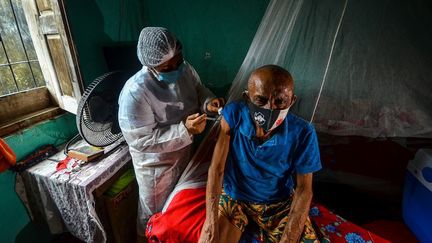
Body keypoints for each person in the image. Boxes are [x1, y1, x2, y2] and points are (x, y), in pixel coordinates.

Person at [118, 27, 224, 241]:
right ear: (151, 65)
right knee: (153, 216)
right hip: (156, 167)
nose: (176, 68)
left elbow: (198, 89)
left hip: (184, 153)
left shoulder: (185, 69)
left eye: (178, 60)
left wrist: (208, 103)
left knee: (175, 211)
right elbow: (142, 142)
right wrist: (184, 131)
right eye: (167, 67)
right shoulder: (135, 93)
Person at [199, 65, 327, 243]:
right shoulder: (234, 115)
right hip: (235, 197)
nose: (270, 109)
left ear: (292, 101)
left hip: (278, 203)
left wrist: (289, 238)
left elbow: (304, 189)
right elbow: (217, 168)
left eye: (280, 101)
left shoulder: (303, 132)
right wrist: (211, 222)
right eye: (261, 100)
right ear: (247, 98)